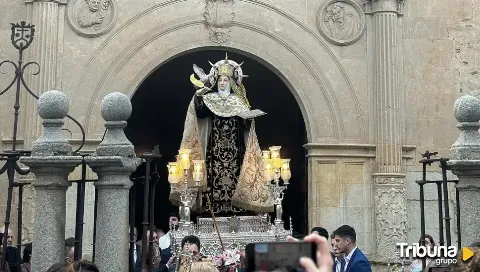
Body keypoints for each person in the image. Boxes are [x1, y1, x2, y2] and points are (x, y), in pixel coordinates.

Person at [174, 54, 273, 216]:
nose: (222, 83)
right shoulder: (209, 98)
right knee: (210, 176)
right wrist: (200, 94)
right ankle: (209, 209)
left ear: (231, 82)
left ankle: (239, 208)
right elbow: (199, 112)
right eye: (220, 80)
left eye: (226, 80)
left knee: (239, 173)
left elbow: (246, 126)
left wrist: (248, 119)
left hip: (236, 151)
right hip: (213, 150)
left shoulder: (239, 101)